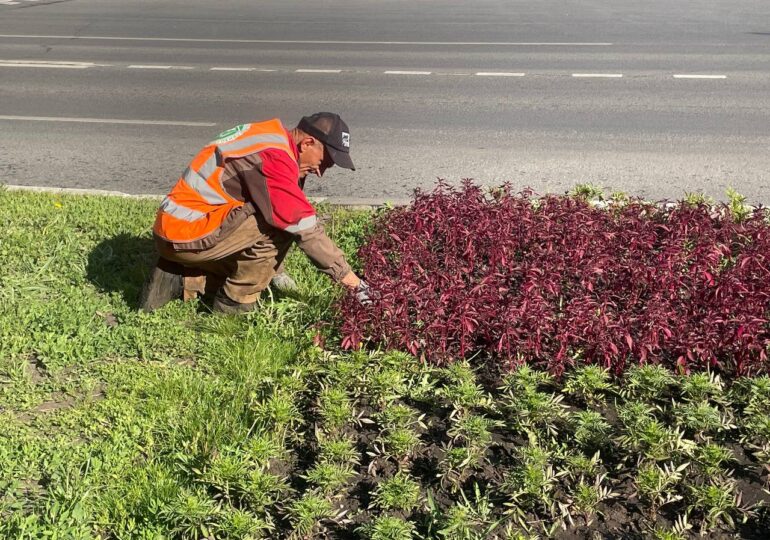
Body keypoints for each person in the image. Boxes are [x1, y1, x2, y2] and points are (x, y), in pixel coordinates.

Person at [139, 112, 371, 314]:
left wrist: (273, 273)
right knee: (282, 224)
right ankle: (234, 305)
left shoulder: (273, 137)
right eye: (325, 162)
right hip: (185, 232)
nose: (321, 173)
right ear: (308, 143)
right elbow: (303, 227)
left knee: (276, 217)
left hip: (181, 227)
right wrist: (353, 284)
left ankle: (183, 279)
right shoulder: (275, 158)